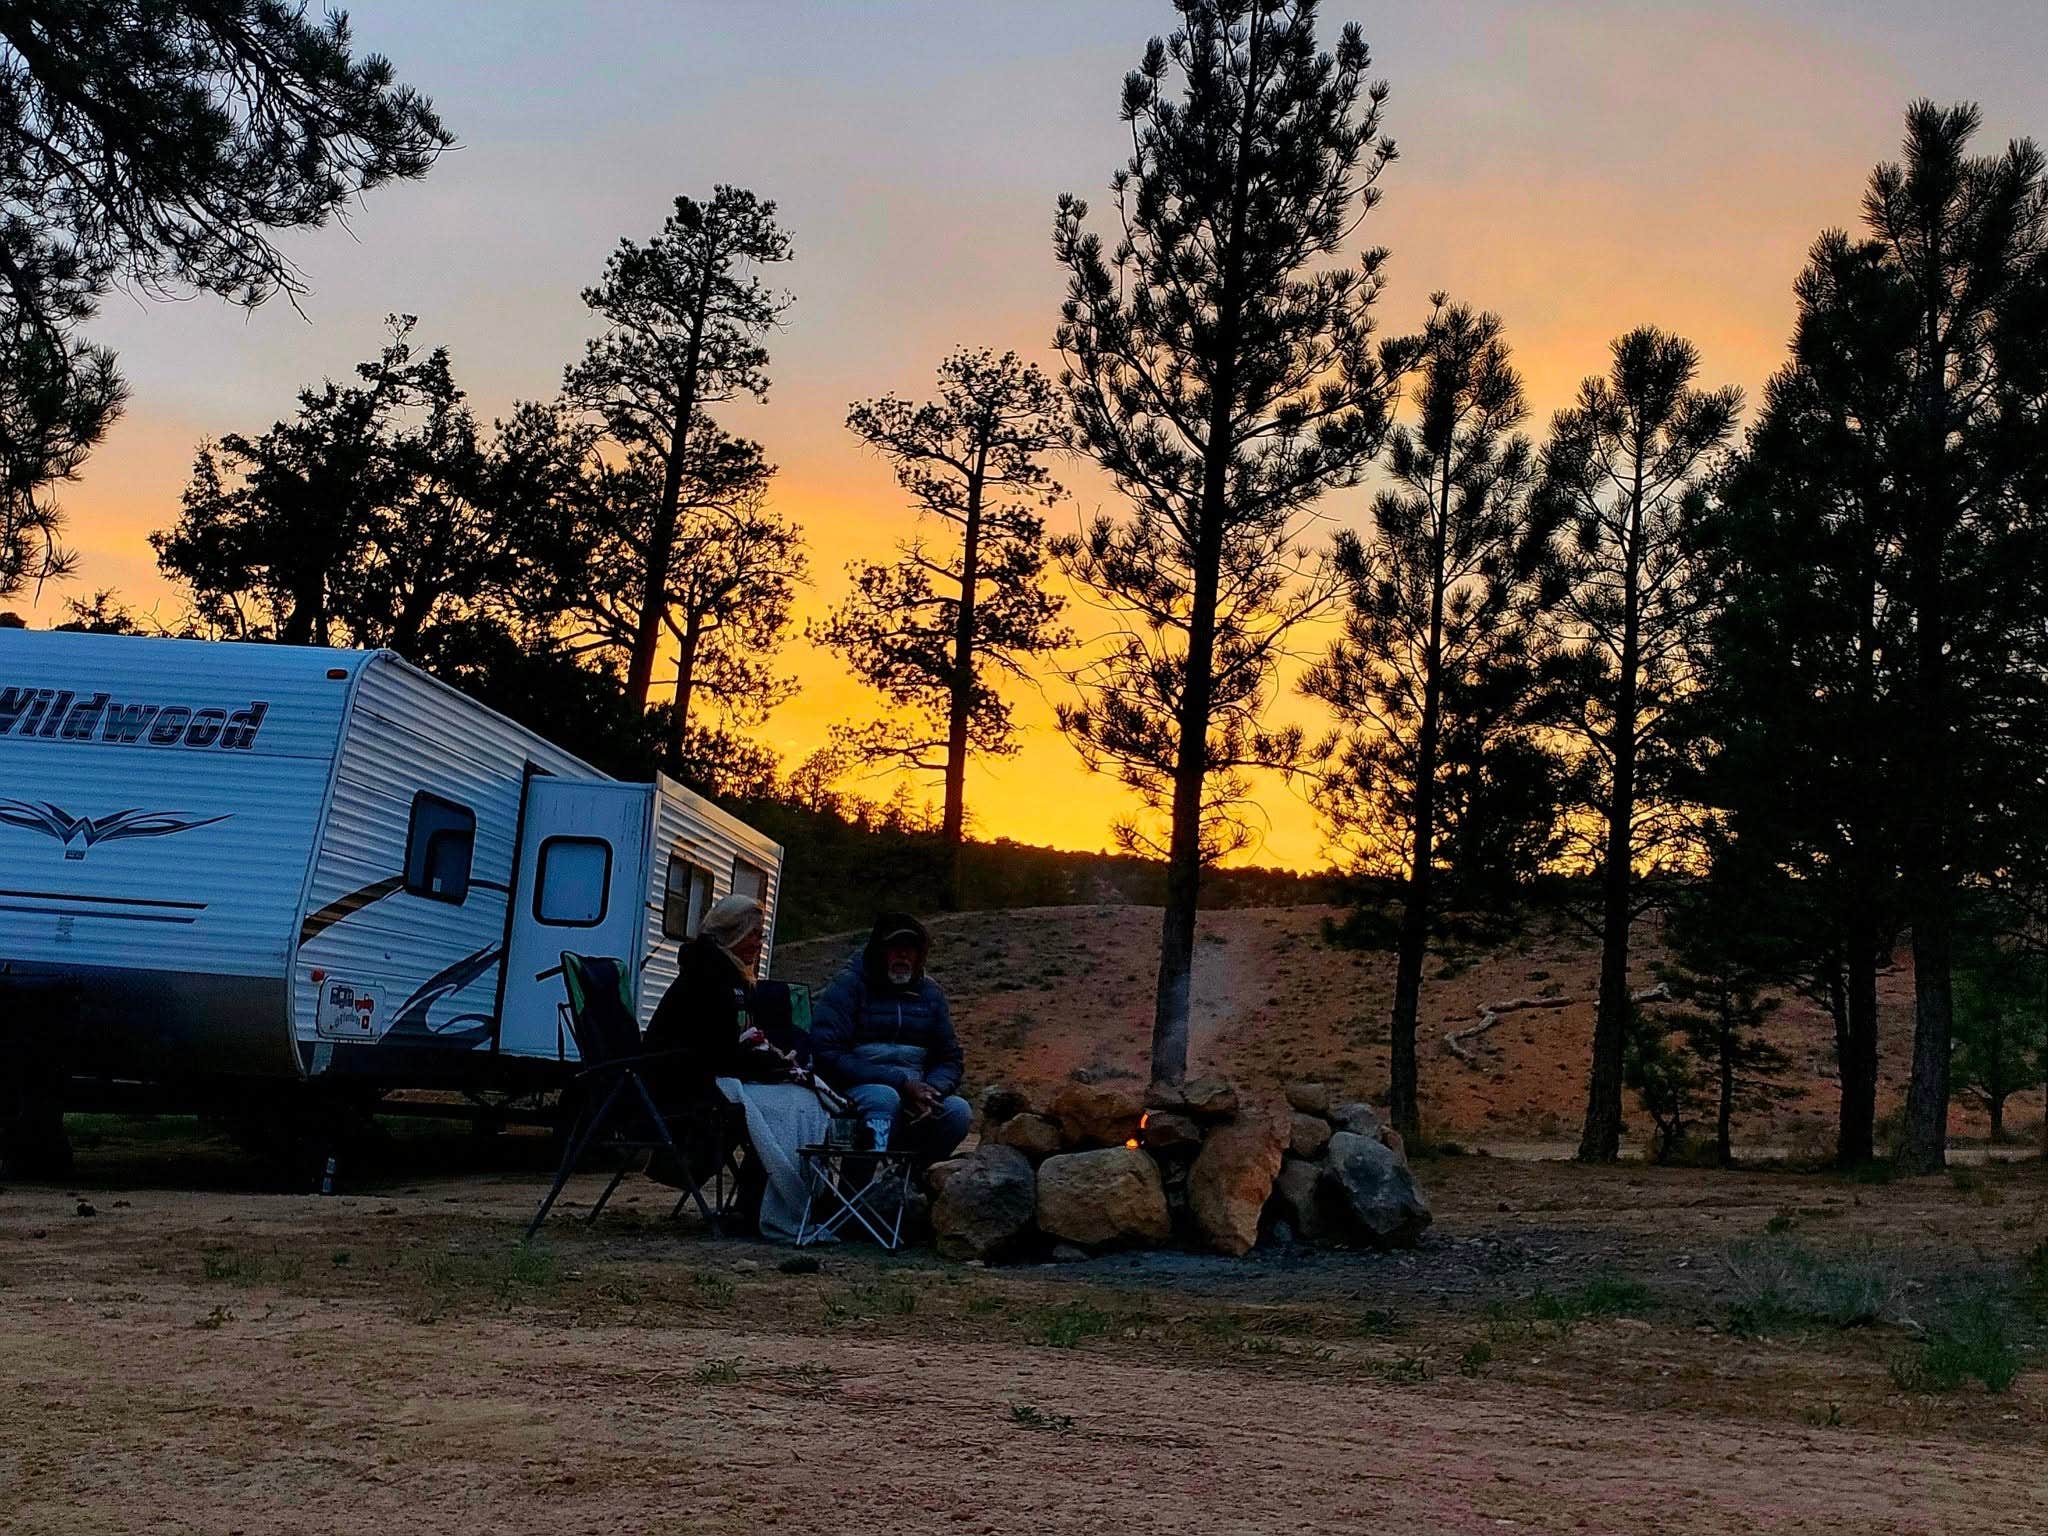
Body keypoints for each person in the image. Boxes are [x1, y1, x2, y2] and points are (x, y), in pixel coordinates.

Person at [645, 894, 832, 1240]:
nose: (760, 945)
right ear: (731, 935)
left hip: (699, 1074)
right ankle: (770, 1203)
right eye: (754, 936)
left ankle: (760, 1201)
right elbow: (716, 1051)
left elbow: (730, 1044)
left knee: (793, 1101)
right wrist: (770, 1066)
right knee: (786, 1107)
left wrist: (771, 1060)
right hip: (678, 1085)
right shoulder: (708, 979)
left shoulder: (725, 973)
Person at [812, 912, 970, 1158]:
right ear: (879, 951)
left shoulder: (931, 995)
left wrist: (931, 1091)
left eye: (910, 948)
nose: (903, 955)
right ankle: (857, 1190)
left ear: (920, 955)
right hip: (854, 1088)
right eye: (894, 947)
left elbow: (949, 1058)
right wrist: (900, 1083)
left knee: (958, 1111)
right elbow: (826, 1051)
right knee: (883, 1099)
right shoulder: (848, 986)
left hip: (916, 1090)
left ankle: (911, 1185)